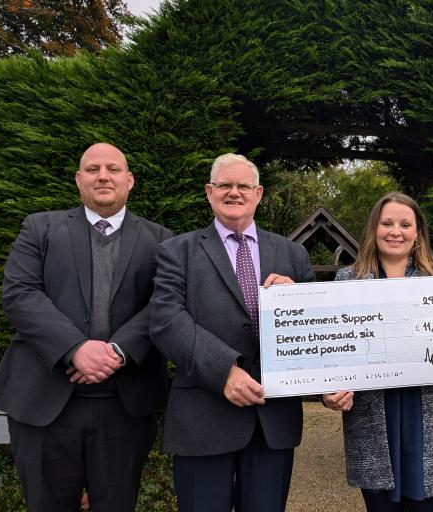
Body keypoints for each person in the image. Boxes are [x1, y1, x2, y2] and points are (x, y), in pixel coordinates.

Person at [0, 143, 172, 511]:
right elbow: (19, 293)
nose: (103, 176)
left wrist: (118, 351)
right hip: (43, 403)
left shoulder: (162, 240)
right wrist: (75, 348)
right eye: (93, 168)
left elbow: (164, 303)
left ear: (129, 181)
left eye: (113, 169)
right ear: (78, 179)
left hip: (124, 407)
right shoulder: (40, 227)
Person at [149, 153, 315, 512]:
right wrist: (223, 370)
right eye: (225, 185)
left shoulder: (293, 255)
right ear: (209, 192)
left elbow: (315, 331)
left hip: (273, 421)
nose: (234, 192)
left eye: (243, 186)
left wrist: (297, 300)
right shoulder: (177, 251)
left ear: (258, 194)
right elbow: (165, 320)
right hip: (202, 418)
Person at [323, 192, 433, 512]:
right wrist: (330, 393)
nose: (395, 231)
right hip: (374, 419)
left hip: (427, 419)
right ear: (373, 228)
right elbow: (335, 354)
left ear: (418, 232)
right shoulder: (347, 279)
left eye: (405, 224)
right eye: (387, 223)